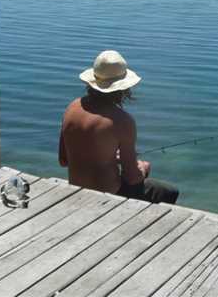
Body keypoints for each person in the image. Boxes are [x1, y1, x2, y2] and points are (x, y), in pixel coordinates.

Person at [58, 50, 179, 204]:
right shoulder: (122, 121)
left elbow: (63, 160)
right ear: (123, 88)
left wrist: (108, 158)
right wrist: (143, 168)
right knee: (168, 191)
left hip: (77, 187)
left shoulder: (72, 108)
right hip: (109, 193)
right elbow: (132, 177)